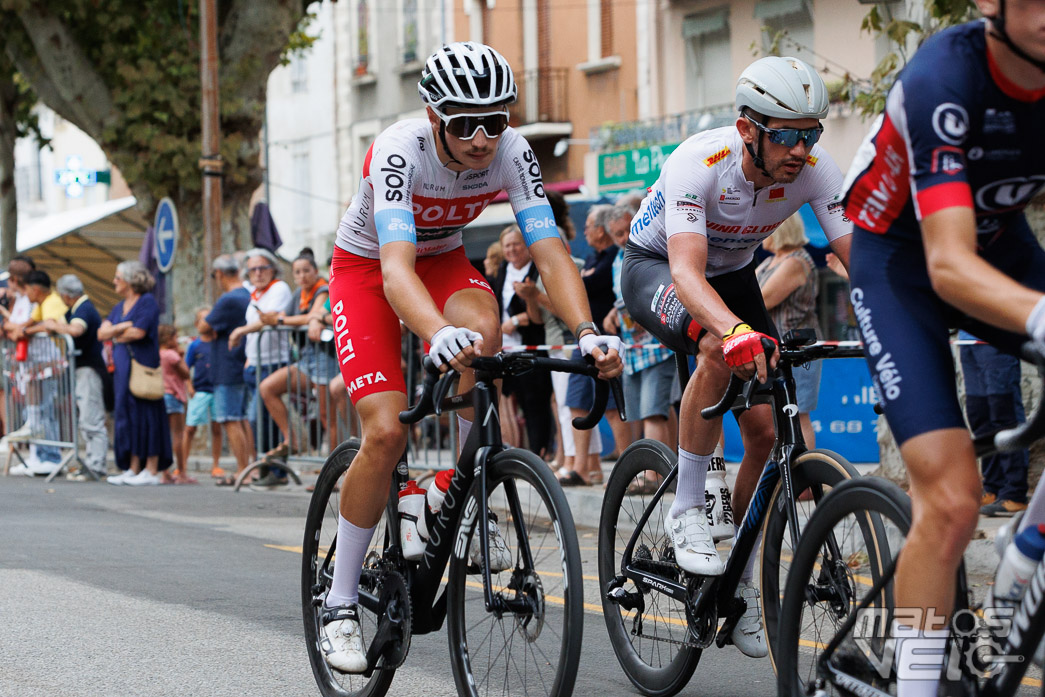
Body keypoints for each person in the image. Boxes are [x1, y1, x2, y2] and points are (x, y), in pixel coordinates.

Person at [321, 41, 623, 673]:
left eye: (497, 119)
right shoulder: (400, 149)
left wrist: (586, 329)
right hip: (370, 271)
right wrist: (433, 333)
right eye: (465, 124)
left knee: (485, 336)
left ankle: (458, 493)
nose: (484, 138)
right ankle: (341, 603)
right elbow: (396, 271)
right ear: (436, 119)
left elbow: (548, 249)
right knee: (384, 431)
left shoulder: (512, 151)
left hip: (444, 264)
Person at [842, 3, 1045, 692]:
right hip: (901, 263)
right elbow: (949, 266)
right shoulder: (944, 75)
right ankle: (914, 683)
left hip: (1001, 244)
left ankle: (1025, 554)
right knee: (955, 497)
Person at [621, 55, 852, 658]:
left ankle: (740, 585)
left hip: (735, 274)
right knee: (714, 345)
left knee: (767, 432)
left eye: (811, 134)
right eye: (787, 135)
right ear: (748, 127)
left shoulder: (814, 168)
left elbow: (861, 256)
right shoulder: (702, 162)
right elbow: (687, 273)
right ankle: (688, 509)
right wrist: (731, 331)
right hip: (659, 270)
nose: (801, 150)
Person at [603, 203, 677, 486]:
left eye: (625, 230)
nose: (623, 238)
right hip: (634, 350)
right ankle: (668, 469)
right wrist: (614, 312)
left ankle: (652, 476)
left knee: (653, 410)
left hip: (658, 345)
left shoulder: (656, 249)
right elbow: (622, 298)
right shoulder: (617, 260)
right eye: (617, 234)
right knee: (652, 410)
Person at [563, 204, 632, 486]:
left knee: (614, 406)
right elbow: (579, 286)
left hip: (607, 341)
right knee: (575, 402)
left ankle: (626, 471)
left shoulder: (615, 255)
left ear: (601, 230)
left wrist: (585, 280)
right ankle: (582, 468)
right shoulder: (593, 258)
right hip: (584, 338)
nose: (585, 232)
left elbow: (595, 284)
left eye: (589, 226)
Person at [258, 253, 341, 471]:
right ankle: (292, 440)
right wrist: (242, 330)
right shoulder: (298, 295)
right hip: (306, 359)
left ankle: (333, 470)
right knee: (268, 387)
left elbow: (310, 316)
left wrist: (280, 320)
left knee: (327, 416)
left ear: (315, 271)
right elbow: (281, 316)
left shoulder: (323, 289)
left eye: (306, 270)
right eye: (297, 272)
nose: (302, 275)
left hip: (326, 357)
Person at [98, 260, 172, 486]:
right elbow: (103, 333)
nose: (114, 282)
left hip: (142, 366)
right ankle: (132, 466)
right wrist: (120, 329)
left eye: (118, 278)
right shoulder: (120, 306)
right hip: (123, 369)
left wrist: (115, 331)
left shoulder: (147, 302)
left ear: (130, 281)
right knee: (126, 415)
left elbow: (138, 332)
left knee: (146, 414)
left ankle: (150, 469)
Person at [755, 213, 821, 447]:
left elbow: (761, 300)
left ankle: (807, 478)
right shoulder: (771, 261)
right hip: (775, 349)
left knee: (798, 413)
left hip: (797, 351)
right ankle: (786, 479)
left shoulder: (796, 262)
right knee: (780, 416)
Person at [229, 247, 293, 478]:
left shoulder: (279, 288)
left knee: (261, 418)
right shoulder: (254, 294)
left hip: (272, 363)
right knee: (257, 419)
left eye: (262, 268)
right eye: (253, 269)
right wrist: (248, 357)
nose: (257, 273)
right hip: (255, 364)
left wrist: (239, 331)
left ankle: (276, 469)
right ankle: (267, 467)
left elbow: (268, 320)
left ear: (272, 269)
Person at [492, 224, 554, 456]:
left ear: (526, 246)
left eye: (516, 244)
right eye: (507, 245)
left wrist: (516, 321)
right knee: (507, 401)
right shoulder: (501, 271)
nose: (512, 250)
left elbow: (541, 315)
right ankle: (517, 453)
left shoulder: (537, 271)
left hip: (533, 346)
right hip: (506, 349)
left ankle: (541, 451)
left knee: (535, 403)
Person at [42, 274, 109, 478]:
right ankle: (91, 462)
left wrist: (55, 326)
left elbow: (77, 330)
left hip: (89, 369)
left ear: (65, 295)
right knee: (86, 417)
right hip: (84, 369)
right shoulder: (81, 307)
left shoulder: (84, 308)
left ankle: (96, 465)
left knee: (91, 417)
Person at [959, 329, 1031, 516]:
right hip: (967, 340)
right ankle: (993, 488)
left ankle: (1015, 493)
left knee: (1004, 414)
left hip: (998, 338)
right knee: (979, 415)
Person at [199, 254, 253, 485]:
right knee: (241, 419)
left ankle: (244, 470)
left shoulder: (228, 299)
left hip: (227, 365)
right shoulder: (247, 295)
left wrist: (210, 330)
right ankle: (249, 468)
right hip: (241, 361)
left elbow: (203, 326)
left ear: (219, 273)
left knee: (230, 418)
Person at [184, 307, 225, 480]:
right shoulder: (195, 345)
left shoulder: (218, 343)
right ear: (196, 323)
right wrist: (189, 386)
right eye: (202, 319)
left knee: (217, 428)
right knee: (191, 427)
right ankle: (182, 465)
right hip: (200, 390)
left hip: (216, 390)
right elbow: (186, 367)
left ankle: (216, 465)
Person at [159, 324, 195, 484]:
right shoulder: (171, 355)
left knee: (164, 435)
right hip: (174, 396)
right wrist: (180, 355)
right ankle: (181, 472)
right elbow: (186, 373)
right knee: (178, 435)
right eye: (175, 337)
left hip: (162, 395)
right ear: (168, 339)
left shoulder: (158, 354)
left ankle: (164, 472)